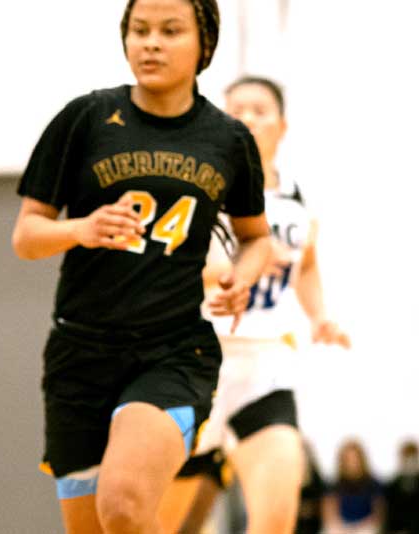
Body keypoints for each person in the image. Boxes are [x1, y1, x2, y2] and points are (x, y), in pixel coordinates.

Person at [9, 0, 275, 531]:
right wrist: (80, 229)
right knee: (97, 526)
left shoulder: (228, 139)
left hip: (171, 352)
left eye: (170, 31)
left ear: (204, 43)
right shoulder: (85, 118)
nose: (151, 43)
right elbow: (26, 236)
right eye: (140, 30)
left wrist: (242, 277)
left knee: (124, 506)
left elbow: (257, 238)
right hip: (79, 355)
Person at [158, 75, 351, 534]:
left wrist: (319, 316)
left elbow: (306, 264)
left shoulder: (298, 197)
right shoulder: (197, 187)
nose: (247, 118)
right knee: (158, 524)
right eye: (236, 110)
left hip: (265, 364)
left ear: (281, 126)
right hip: (193, 361)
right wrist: (245, 263)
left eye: (259, 110)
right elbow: (164, 268)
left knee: (276, 519)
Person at [325, 440, 383, 534]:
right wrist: (343, 528)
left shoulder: (373, 484)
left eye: (355, 458)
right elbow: (329, 513)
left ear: (361, 460)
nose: (352, 463)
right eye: (348, 459)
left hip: (365, 527)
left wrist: (358, 528)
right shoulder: (334, 485)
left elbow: (378, 515)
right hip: (341, 527)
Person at [385, 441, 419, 534]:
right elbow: (389, 517)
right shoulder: (392, 486)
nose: (410, 463)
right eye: (407, 459)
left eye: (413, 459)